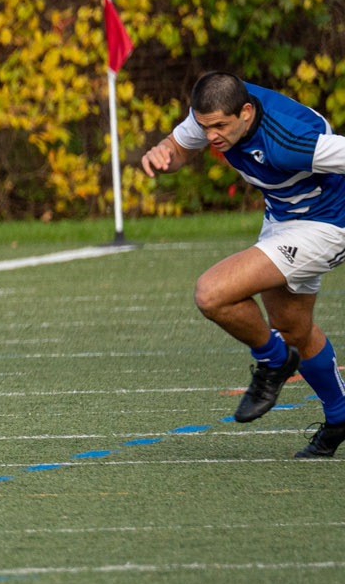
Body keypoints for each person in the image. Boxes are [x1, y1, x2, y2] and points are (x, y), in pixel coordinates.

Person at [139, 70, 345, 458]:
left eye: (219, 127)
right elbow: (181, 145)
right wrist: (164, 152)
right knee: (294, 327)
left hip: (327, 225)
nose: (211, 136)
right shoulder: (216, 106)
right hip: (283, 217)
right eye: (205, 127)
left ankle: (273, 361)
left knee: (212, 293)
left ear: (246, 112)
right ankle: (340, 415)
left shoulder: (290, 142)